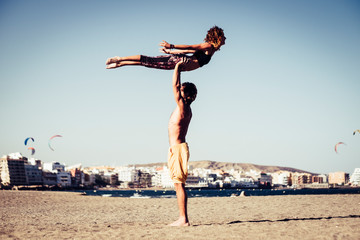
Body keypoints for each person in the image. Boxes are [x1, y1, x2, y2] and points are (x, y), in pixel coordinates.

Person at [106, 26, 225, 72]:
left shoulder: (211, 49)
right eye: (223, 36)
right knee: (147, 60)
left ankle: (120, 63)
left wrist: (170, 52)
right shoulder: (208, 46)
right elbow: (191, 47)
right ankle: (119, 59)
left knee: (147, 63)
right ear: (217, 37)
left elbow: (188, 52)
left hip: (179, 62)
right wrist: (172, 46)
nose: (225, 38)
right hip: (178, 62)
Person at [167, 61, 197, 226]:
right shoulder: (184, 108)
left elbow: (175, 85)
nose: (179, 91)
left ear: (186, 95)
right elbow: (178, 87)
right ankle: (182, 218)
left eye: (182, 91)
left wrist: (177, 67)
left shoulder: (184, 107)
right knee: (177, 184)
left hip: (178, 149)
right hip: (175, 149)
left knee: (179, 185)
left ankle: (183, 219)